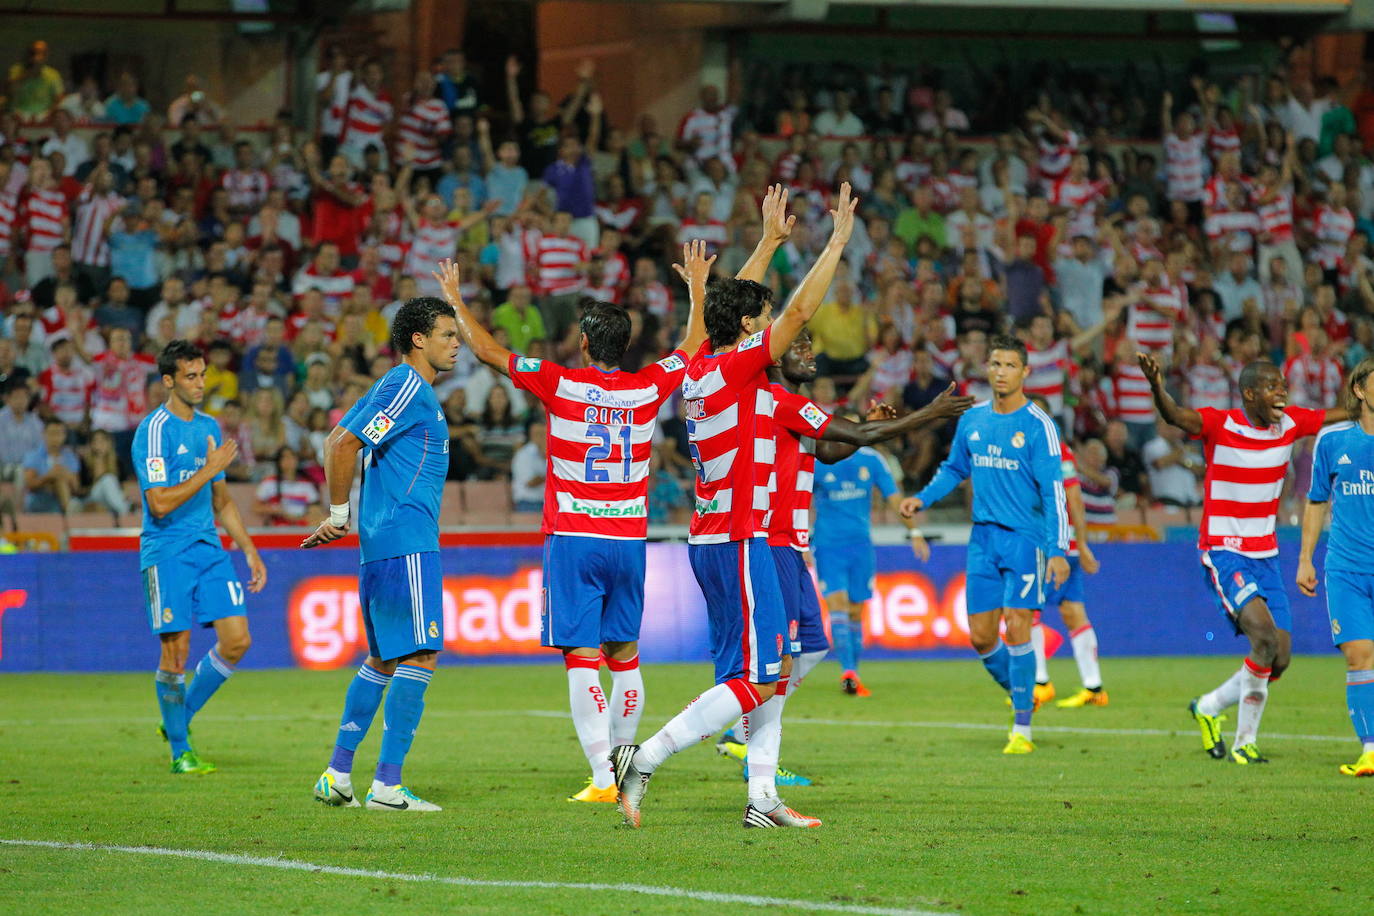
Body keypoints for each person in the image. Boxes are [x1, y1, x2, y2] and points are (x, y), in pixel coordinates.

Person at [611, 183, 858, 830]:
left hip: (714, 539)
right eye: (761, 317)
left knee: (764, 676)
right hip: (744, 541)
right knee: (759, 680)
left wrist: (768, 244)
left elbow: (725, 311)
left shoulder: (698, 367)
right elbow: (796, 315)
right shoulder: (739, 368)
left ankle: (762, 798)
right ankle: (645, 759)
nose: (769, 321)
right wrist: (832, 244)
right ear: (751, 330)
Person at [433, 232, 710, 804]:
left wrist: (457, 301)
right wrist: (699, 290)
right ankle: (626, 763)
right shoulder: (648, 386)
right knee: (624, 653)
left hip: (576, 536)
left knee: (581, 656)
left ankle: (603, 778)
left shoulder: (561, 383)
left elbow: (488, 352)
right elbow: (694, 343)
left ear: (584, 343)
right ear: (626, 346)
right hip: (630, 538)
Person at [714, 329, 973, 782]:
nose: (810, 354)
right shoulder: (777, 399)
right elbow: (862, 433)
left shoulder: (794, 407)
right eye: (799, 348)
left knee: (814, 644)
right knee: (781, 659)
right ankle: (753, 759)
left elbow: (831, 450)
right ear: (775, 358)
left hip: (791, 547)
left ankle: (741, 733)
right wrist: (929, 414)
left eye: (811, 345)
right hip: (773, 543)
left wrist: (861, 427)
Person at [1139, 352, 1345, 765]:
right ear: (1249, 393)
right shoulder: (1221, 423)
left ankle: (1209, 706)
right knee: (1265, 640)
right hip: (1224, 551)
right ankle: (1244, 743)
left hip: (1265, 555)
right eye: (1272, 387)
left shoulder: (1291, 424)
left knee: (1280, 658)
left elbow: (1338, 414)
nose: (1281, 393)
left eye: (1283, 386)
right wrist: (1157, 386)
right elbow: (1178, 416)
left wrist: (1364, 398)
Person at [306, 296, 459, 812]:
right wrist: (339, 513)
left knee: (382, 659)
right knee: (421, 655)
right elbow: (341, 443)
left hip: (382, 549)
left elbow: (348, 442)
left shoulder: (406, 390)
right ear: (418, 339)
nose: (456, 344)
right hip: (405, 543)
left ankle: (337, 776)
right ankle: (387, 786)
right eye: (447, 335)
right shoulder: (407, 386)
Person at [900, 334, 1071, 755]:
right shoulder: (973, 420)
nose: (1001, 372)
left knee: (1017, 626)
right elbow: (954, 467)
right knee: (980, 637)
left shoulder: (1038, 426)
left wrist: (1058, 549)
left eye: (1010, 365)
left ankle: (1022, 730)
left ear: (1025, 372)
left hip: (1024, 539)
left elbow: (1055, 492)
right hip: (982, 539)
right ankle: (1022, 691)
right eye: (995, 364)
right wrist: (921, 497)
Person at [133, 340, 267, 775]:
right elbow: (159, 503)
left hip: (210, 550)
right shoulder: (154, 431)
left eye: (203, 374)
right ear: (168, 381)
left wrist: (249, 550)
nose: (200, 383)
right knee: (176, 655)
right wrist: (208, 470)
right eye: (190, 376)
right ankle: (180, 751)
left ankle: (178, 718)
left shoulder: (208, 426)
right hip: (167, 551)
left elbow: (222, 500)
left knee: (237, 640)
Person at [1297, 357, 1374, 777]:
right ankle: (1371, 749)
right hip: (1346, 568)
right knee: (1360, 654)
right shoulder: (1332, 441)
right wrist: (1305, 558)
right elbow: (1316, 502)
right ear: (1360, 389)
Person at [1025, 396, 1108, 709]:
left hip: (1046, 543)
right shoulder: (1063, 450)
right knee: (1073, 612)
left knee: (1027, 610)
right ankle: (1094, 686)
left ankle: (1040, 683)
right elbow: (1075, 500)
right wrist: (1082, 544)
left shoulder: (1037, 451)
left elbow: (1073, 500)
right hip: (1069, 543)